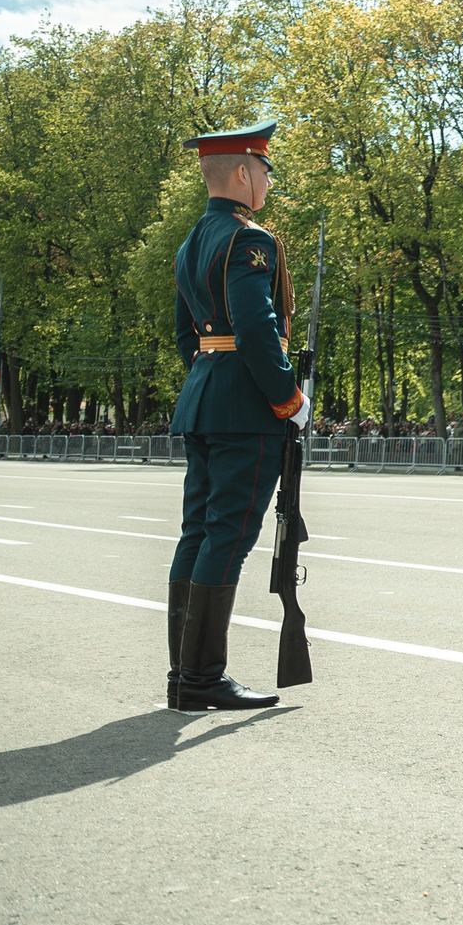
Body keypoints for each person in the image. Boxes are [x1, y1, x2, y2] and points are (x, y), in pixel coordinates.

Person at [165, 123, 306, 714]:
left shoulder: (193, 241)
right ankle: (202, 678)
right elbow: (255, 328)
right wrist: (289, 400)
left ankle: (184, 675)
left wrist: (210, 377)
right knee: (229, 534)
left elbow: (184, 335)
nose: (269, 183)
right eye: (266, 171)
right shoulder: (250, 240)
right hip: (245, 408)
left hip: (204, 397)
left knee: (197, 531)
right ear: (244, 173)